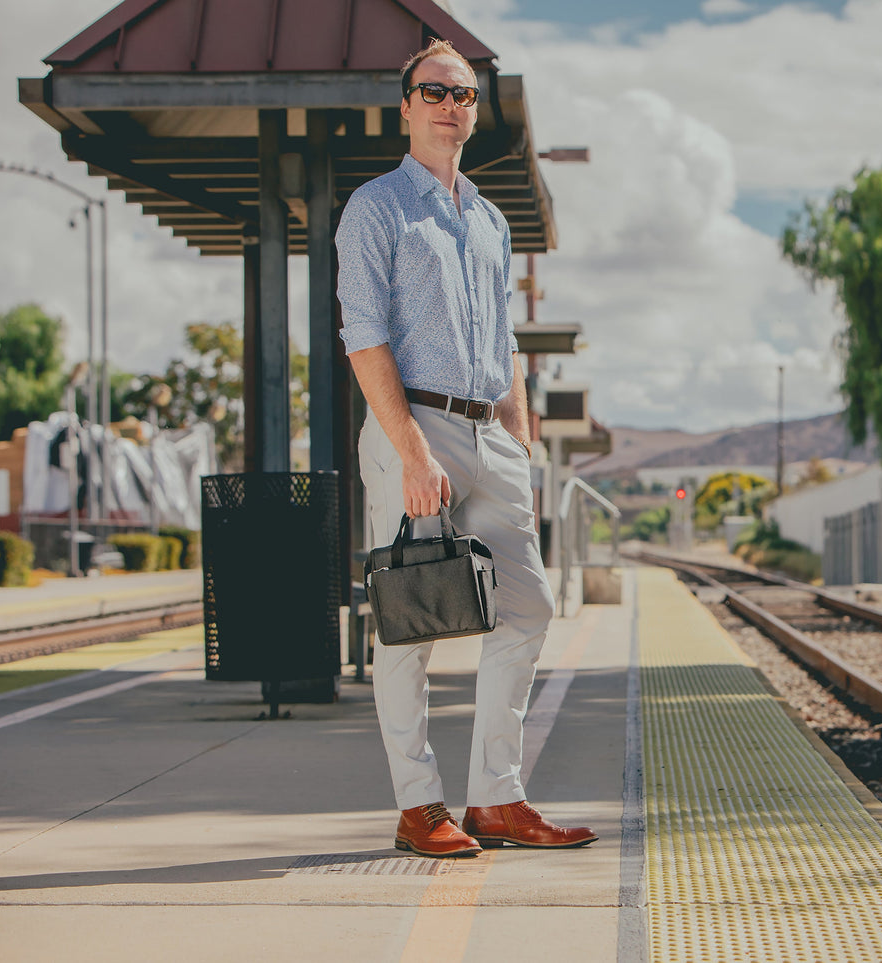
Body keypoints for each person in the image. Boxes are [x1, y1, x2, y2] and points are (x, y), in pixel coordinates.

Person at [336, 38, 596, 858]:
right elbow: (365, 337)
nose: (452, 106)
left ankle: (495, 797)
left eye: (464, 96)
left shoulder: (487, 218)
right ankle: (420, 805)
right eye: (435, 92)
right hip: (415, 426)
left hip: (491, 432)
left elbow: (506, 339)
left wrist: (518, 436)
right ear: (405, 106)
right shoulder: (376, 207)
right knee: (410, 621)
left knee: (526, 607)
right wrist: (410, 450)